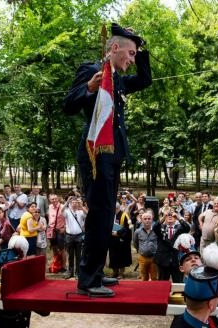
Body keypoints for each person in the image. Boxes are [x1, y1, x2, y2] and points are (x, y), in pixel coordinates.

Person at [63, 23, 152, 297]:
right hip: (95, 155)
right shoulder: (93, 72)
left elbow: (145, 80)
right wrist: (89, 88)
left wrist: (141, 49)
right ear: (114, 48)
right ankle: (88, 280)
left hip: (113, 157)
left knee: (105, 216)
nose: (132, 59)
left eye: (135, 54)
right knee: (99, 216)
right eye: (130, 53)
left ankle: (97, 271)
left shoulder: (119, 79)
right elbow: (68, 105)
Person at [153, 209, 190, 282]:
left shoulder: (179, 229)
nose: (170, 216)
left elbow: (187, 228)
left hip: (176, 261)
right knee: (162, 284)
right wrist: (164, 216)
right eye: (168, 216)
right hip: (163, 260)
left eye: (172, 216)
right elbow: (155, 227)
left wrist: (178, 217)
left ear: (175, 219)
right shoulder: (160, 228)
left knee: (178, 283)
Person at [62, 196, 87, 279]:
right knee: (70, 255)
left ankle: (78, 272)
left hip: (79, 236)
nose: (74, 204)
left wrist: (81, 206)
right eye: (72, 202)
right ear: (70, 203)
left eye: (76, 202)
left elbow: (87, 215)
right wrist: (67, 201)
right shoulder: (67, 212)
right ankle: (70, 271)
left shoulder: (80, 212)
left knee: (78, 255)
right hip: (69, 236)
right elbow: (61, 210)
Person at [109, 203, 132, 279]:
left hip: (121, 240)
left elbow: (128, 228)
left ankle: (121, 273)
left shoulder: (124, 215)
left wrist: (118, 233)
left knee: (121, 256)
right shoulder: (111, 215)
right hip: (112, 240)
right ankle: (114, 272)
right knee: (113, 256)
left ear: (117, 208)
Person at [133, 210, 157, 281]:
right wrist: (140, 250)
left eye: (149, 219)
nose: (147, 220)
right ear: (142, 220)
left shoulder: (156, 231)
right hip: (142, 258)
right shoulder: (137, 231)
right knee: (144, 278)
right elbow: (135, 243)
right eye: (145, 219)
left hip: (154, 258)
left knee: (154, 277)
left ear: (152, 220)